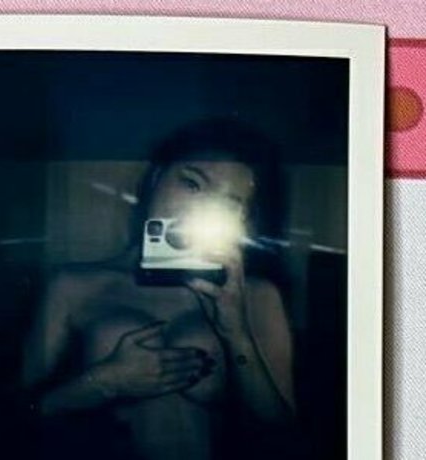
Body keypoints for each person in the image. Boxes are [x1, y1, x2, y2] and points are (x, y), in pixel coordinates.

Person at [22, 118, 295, 460]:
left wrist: (236, 333)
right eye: (192, 184)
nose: (199, 207)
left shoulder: (255, 294)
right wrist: (101, 383)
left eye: (228, 202)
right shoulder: (72, 285)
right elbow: (17, 414)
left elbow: (282, 430)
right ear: (155, 178)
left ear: (243, 219)